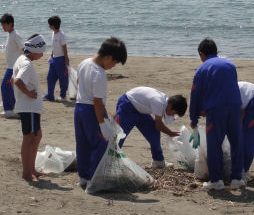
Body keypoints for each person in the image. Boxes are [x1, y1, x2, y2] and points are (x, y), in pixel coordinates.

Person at [189, 38, 244, 190]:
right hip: (235, 106)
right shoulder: (230, 64)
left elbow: (195, 94)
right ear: (216, 51)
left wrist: (193, 118)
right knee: (236, 143)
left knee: (214, 145)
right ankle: (237, 179)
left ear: (202, 54)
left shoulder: (202, 69)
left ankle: (216, 181)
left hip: (216, 109)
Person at [74, 37, 127, 188]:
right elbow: (97, 102)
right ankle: (93, 179)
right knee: (99, 144)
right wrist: (102, 124)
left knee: (82, 144)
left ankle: (83, 177)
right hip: (92, 110)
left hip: (79, 108)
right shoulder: (99, 74)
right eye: (114, 63)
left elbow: (78, 82)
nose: (113, 66)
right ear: (108, 57)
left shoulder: (84, 63)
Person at [115, 87, 187, 168]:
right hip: (127, 105)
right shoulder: (159, 102)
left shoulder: (165, 102)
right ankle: (110, 160)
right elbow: (158, 124)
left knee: (154, 132)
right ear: (170, 107)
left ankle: (158, 161)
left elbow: (158, 125)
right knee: (119, 136)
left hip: (141, 109)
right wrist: (170, 133)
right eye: (174, 113)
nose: (173, 115)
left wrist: (169, 132)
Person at [12, 34, 47, 182]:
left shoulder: (21, 59)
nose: (42, 55)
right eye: (41, 52)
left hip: (28, 107)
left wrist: (20, 95)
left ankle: (32, 169)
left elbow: (12, 80)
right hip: (29, 108)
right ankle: (26, 173)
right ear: (34, 50)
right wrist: (28, 93)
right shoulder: (26, 64)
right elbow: (17, 81)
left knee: (37, 136)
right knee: (29, 138)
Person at [0, 13, 24, 118]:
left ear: (10, 24)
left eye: (4, 25)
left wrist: (22, 64)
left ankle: (9, 110)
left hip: (14, 67)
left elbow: (23, 49)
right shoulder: (10, 34)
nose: (2, 27)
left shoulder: (15, 35)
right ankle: (11, 108)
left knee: (5, 86)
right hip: (10, 66)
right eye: (2, 25)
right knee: (10, 88)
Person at [44, 15, 69, 101]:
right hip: (54, 59)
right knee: (50, 77)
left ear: (53, 25)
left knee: (63, 78)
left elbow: (64, 48)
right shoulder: (53, 33)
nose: (48, 26)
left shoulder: (61, 35)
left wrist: (66, 59)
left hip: (61, 59)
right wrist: (51, 55)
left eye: (49, 24)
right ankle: (50, 95)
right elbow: (54, 46)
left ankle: (63, 96)